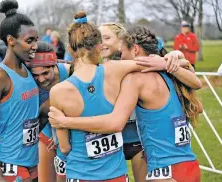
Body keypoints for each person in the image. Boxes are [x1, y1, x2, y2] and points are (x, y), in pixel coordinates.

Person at [49, 25, 202, 182]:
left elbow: (114, 123)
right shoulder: (169, 72)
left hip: (163, 172)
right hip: (188, 165)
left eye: (121, 53)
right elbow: (197, 95)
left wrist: (65, 122)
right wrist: (175, 59)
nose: (120, 58)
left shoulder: (134, 79)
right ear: (98, 46)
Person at [0, 0, 40, 181]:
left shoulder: (26, 68)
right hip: (11, 163)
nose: (34, 46)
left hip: (32, 161)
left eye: (36, 40)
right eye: (29, 41)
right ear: (10, 40)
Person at [99, 22, 146, 182]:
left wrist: (176, 56)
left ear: (121, 41)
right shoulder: (95, 68)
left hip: (137, 139)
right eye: (99, 38)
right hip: (109, 141)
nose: (102, 42)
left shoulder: (134, 64)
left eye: (107, 38)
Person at [26, 41, 70, 182]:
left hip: (71, 132)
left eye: (45, 73)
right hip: (44, 133)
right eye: (36, 75)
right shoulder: (26, 80)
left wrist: (61, 135)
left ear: (54, 65)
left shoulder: (71, 72)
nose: (41, 79)